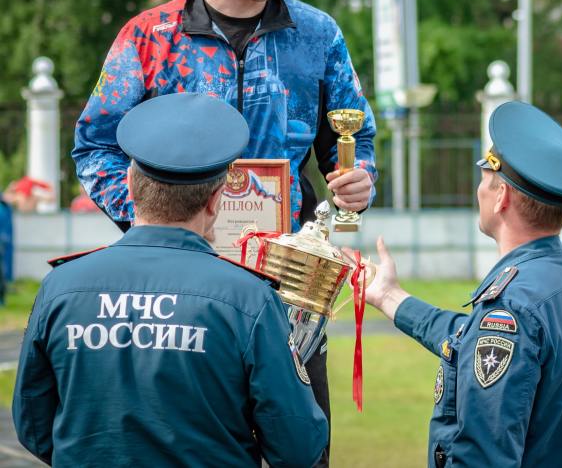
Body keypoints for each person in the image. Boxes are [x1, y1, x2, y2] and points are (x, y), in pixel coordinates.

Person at [71, 0, 377, 462]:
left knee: (302, 449)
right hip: (175, 287)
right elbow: (95, 145)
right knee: (187, 446)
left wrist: (360, 181)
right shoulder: (148, 36)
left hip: (289, 288)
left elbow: (354, 138)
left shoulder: (318, 34)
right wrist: (153, 219)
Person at [14, 93, 328, 466]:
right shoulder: (248, 299)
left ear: (130, 185)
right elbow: (297, 445)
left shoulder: (61, 287)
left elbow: (33, 426)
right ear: (216, 199)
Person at [363, 101, 562, 467]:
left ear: (502, 197)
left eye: (485, 180)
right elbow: (469, 339)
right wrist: (390, 297)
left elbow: (484, 454)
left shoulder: (511, 306)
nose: (479, 191)